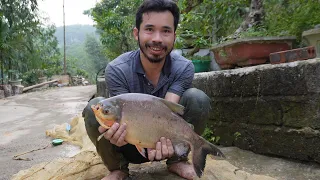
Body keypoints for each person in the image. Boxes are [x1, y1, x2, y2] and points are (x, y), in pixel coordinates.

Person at [83, 0, 211, 179]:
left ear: (174, 35)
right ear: (137, 33)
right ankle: (117, 168)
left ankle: (177, 160)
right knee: (94, 107)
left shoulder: (184, 67)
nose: (157, 38)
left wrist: (164, 141)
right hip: (128, 142)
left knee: (197, 98)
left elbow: (168, 109)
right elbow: (119, 118)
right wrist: (113, 133)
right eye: (149, 29)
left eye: (165, 31)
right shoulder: (117, 69)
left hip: (167, 141)